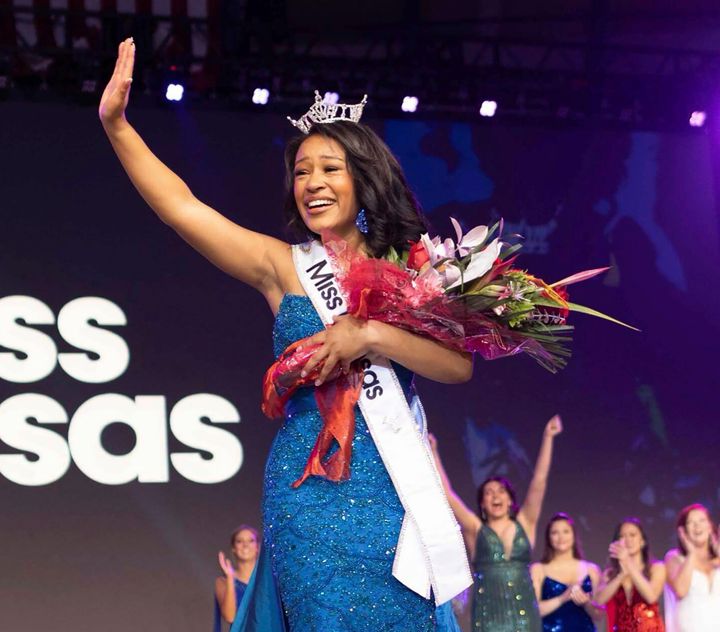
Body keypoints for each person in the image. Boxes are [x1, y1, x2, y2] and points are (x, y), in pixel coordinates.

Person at [99, 39, 473, 631]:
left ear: (363, 178)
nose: (313, 183)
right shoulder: (283, 266)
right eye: (302, 172)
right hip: (309, 497)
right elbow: (183, 209)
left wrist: (370, 335)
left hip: (398, 498)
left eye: (330, 169)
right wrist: (117, 127)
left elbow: (458, 367)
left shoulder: (416, 271)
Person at [430, 414, 563, 632]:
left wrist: (548, 437)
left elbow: (539, 482)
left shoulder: (526, 523)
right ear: (482, 504)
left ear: (511, 500)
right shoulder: (476, 529)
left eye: (501, 491)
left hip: (524, 615)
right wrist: (434, 452)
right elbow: (447, 494)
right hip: (488, 616)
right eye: (489, 493)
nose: (495, 496)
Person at [530, 512, 604, 631]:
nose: (561, 537)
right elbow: (533, 611)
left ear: (574, 535)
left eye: (566, 531)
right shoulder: (538, 569)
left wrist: (586, 603)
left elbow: (599, 615)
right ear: (548, 537)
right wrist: (562, 598)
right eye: (555, 533)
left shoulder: (591, 570)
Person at [595, 517, 665, 632]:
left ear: (642, 541)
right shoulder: (610, 573)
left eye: (632, 535)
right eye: (622, 536)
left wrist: (628, 562)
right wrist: (620, 576)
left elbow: (651, 596)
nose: (627, 540)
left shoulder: (657, 568)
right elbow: (599, 600)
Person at [664, 503, 720, 632]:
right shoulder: (675, 558)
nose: (697, 526)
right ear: (683, 530)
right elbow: (681, 590)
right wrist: (692, 553)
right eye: (691, 522)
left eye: (702, 520)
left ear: (710, 526)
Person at [214, 526, 260, 631]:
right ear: (234, 548)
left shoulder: (268, 581)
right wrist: (230, 578)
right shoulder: (223, 582)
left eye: (251, 541)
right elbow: (230, 617)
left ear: (257, 547)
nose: (245, 545)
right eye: (239, 541)